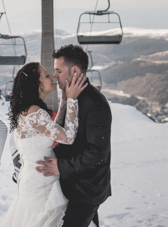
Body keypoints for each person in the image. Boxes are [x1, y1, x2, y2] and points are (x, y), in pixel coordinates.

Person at [0, 61, 88, 227]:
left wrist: (65, 98)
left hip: (34, 181)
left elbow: (55, 127)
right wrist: (73, 100)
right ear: (37, 84)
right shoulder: (35, 113)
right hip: (42, 187)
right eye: (46, 75)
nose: (52, 77)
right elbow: (68, 136)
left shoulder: (29, 110)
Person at [37, 45, 112, 227]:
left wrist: (61, 166)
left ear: (75, 71)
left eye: (58, 70)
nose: (55, 75)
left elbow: (97, 152)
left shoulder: (95, 103)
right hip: (69, 187)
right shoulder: (71, 97)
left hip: (86, 191)